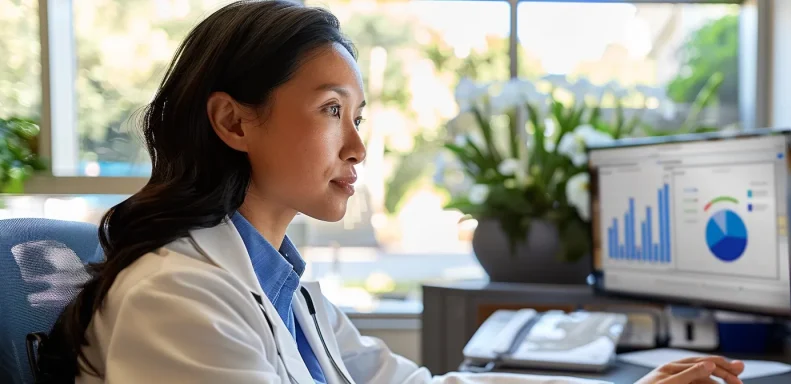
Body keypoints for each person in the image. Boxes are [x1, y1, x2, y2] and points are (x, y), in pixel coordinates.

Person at [37, 1, 746, 383]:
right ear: (233, 120)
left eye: (359, 115)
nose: (358, 146)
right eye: (331, 110)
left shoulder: (287, 291)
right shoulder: (175, 298)